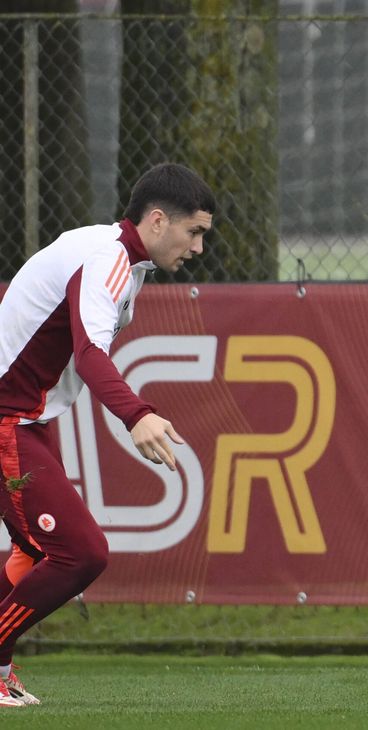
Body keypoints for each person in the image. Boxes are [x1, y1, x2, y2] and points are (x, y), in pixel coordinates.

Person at [0, 163, 215, 707]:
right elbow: (90, 354)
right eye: (195, 232)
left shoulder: (115, 254)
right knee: (82, 553)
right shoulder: (108, 259)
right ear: (159, 220)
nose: (198, 248)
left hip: (26, 419)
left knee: (35, 550)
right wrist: (136, 413)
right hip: (6, 419)